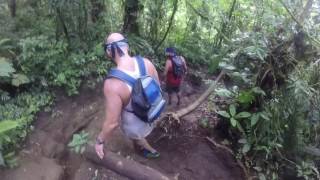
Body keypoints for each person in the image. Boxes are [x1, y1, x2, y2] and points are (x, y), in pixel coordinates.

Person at [95, 33, 160, 159]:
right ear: (127, 46)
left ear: (109, 52)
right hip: (152, 114)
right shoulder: (147, 63)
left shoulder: (112, 84)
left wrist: (99, 141)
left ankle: (151, 151)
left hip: (135, 126)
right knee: (140, 135)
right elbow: (158, 88)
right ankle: (141, 146)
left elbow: (112, 124)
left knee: (137, 137)